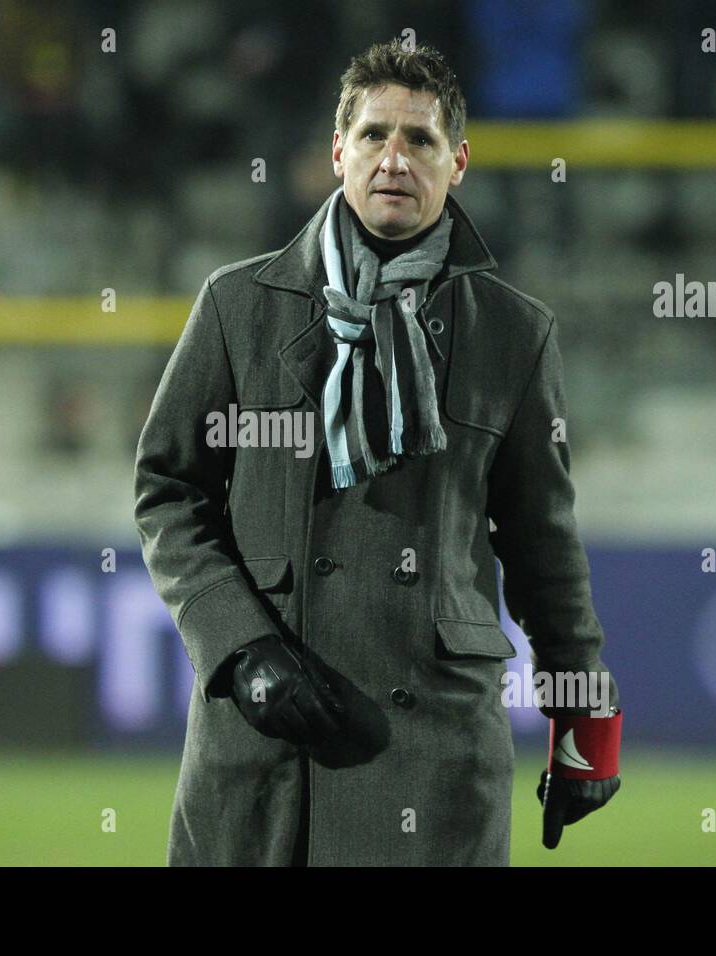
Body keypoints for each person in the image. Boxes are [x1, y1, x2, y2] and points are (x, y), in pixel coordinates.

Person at [134, 39, 621, 866]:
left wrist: (583, 714)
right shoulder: (237, 305)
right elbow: (168, 490)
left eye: (421, 140)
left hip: (433, 748)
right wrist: (241, 648)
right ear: (337, 152)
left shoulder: (513, 333)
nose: (394, 158)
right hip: (272, 733)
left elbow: (542, 543)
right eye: (373, 135)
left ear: (458, 161)